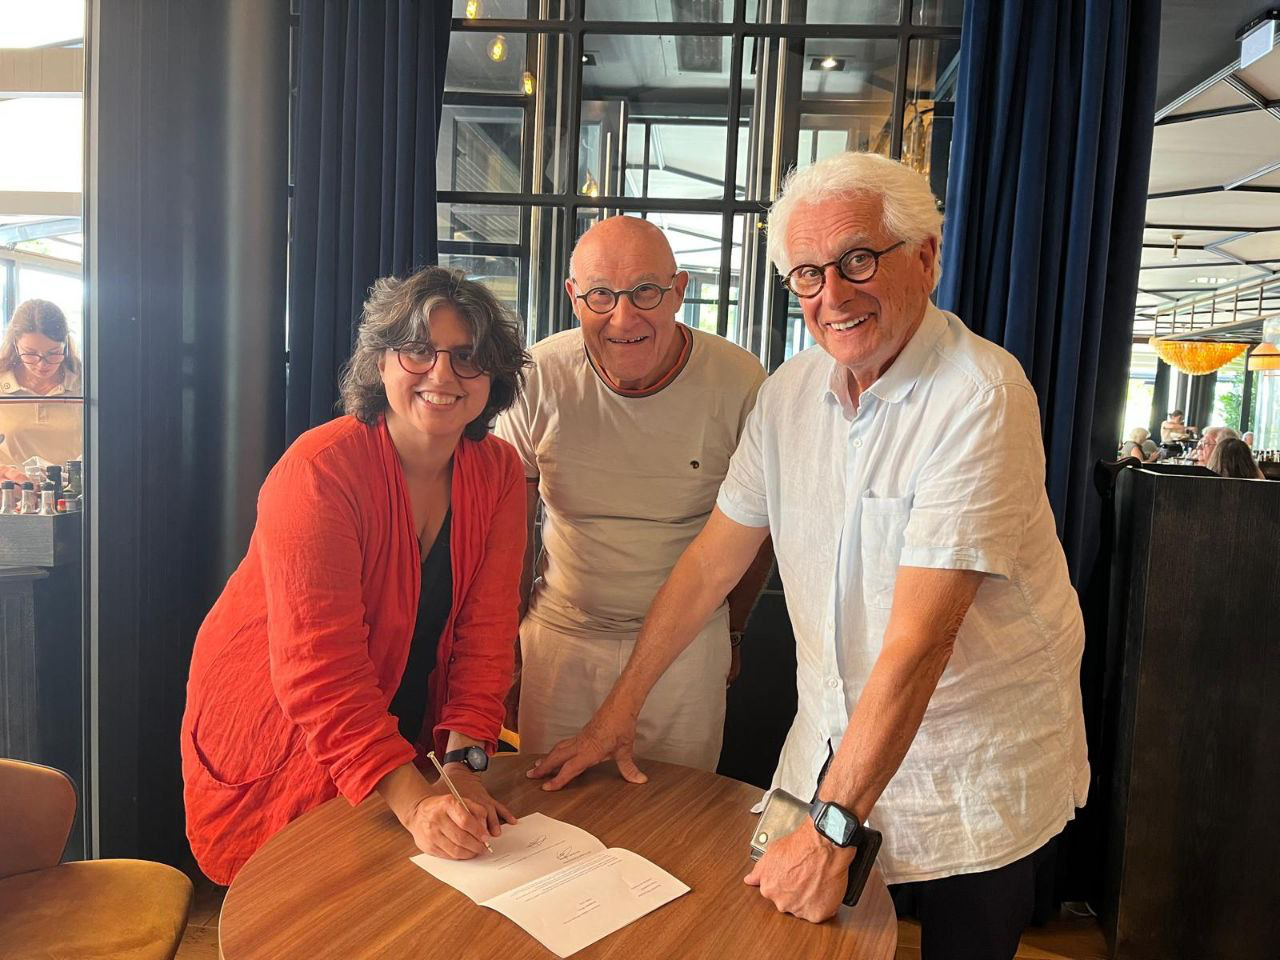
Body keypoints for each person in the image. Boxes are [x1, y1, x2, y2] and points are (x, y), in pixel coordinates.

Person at [527, 153, 1088, 960]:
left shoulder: (980, 396)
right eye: (808, 275)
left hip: (970, 750)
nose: (834, 294)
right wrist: (618, 711)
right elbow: (709, 565)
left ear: (926, 257)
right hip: (826, 734)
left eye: (858, 260)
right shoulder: (789, 395)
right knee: (778, 934)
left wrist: (832, 832)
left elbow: (919, 641)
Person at [181, 267, 530, 885]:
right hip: (283, 718)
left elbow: (487, 634)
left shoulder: (499, 471)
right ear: (381, 361)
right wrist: (415, 803)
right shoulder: (318, 470)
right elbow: (321, 670)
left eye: (467, 356)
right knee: (299, 901)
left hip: (393, 715)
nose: (442, 374)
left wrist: (463, 768)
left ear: (493, 375)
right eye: (418, 350)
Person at [493, 215, 772, 772]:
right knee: (550, 803)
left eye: (645, 291)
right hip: (562, 637)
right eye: (601, 294)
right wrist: (506, 654)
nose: (624, 318)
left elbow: (759, 533)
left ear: (679, 291)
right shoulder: (539, 376)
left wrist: (734, 631)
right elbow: (508, 536)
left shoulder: (740, 381)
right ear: (574, 297)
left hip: (686, 648)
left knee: (674, 808)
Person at [0, 299, 83, 485]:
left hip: (75, 495)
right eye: (30, 353)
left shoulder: (86, 383)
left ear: (65, 344)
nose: (42, 364)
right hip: (12, 495)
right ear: (15, 344)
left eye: (53, 353)